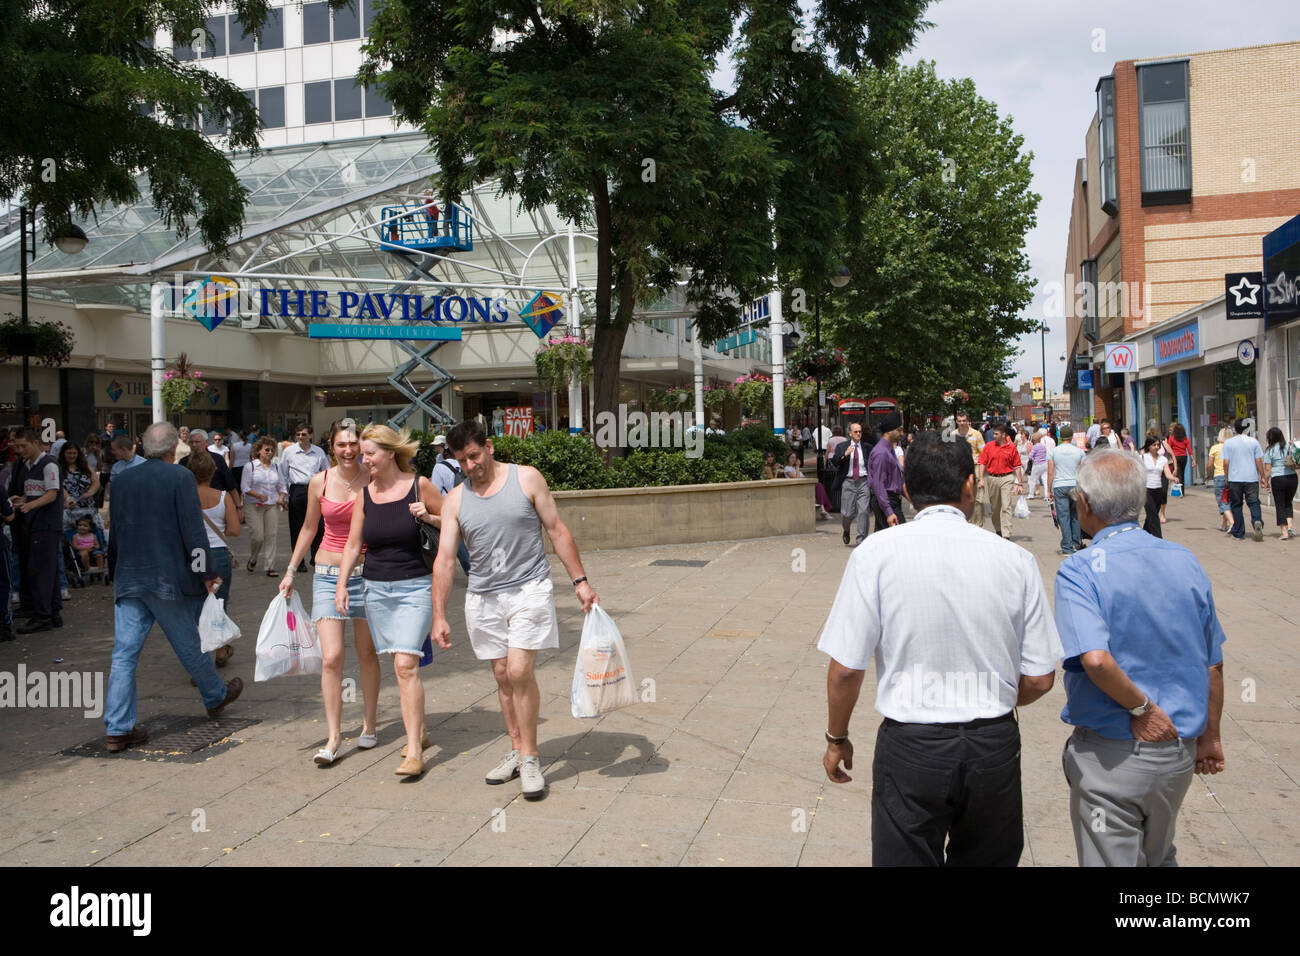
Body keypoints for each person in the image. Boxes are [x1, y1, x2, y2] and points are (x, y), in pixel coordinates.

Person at [819, 434, 1060, 866]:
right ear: (971, 485)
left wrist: (837, 737)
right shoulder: (1016, 561)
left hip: (911, 745)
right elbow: (1041, 678)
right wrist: (999, 694)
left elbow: (844, 670)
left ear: (907, 491)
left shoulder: (875, 554)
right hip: (993, 745)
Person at [1054, 448, 1226, 866]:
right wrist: (1210, 736)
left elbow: (1095, 660)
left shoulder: (1080, 569)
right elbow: (1213, 663)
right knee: (1159, 852)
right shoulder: (1184, 560)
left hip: (1114, 752)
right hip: (1178, 752)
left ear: (1086, 505)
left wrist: (1143, 708)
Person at [433, 419, 599, 800]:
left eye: (474, 456)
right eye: (462, 461)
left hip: (529, 589)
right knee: (503, 674)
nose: (470, 466)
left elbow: (556, 529)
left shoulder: (526, 479)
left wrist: (580, 582)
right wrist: (439, 614)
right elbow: (443, 560)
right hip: (483, 596)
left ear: (488, 447)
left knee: (520, 670)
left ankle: (530, 757)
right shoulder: (456, 499)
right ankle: (515, 748)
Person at [103, 423, 242, 753]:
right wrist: (206, 572)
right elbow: (193, 532)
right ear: (172, 450)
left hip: (130, 576)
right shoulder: (179, 478)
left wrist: (114, 572)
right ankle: (214, 695)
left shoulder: (121, 480)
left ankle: (117, 727)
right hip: (166, 578)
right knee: (189, 643)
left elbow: (116, 530)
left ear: (141, 446)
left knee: (123, 655)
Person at [335, 424, 443, 777]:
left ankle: (413, 751)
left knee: (405, 666)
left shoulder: (419, 485)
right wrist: (341, 585)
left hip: (416, 588)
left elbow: (454, 521)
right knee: (399, 663)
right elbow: (354, 545)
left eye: (369, 453)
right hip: (376, 589)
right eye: (363, 454)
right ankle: (421, 731)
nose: (363, 460)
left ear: (390, 453)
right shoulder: (365, 495)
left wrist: (428, 516)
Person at [280, 419, 382, 766]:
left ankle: (369, 723)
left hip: (367, 574)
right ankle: (335, 735)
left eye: (355, 444)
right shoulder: (318, 482)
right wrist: (292, 569)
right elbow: (309, 527)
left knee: (367, 652)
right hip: (325, 574)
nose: (350, 450)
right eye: (342, 444)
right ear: (331, 447)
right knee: (332, 657)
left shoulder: (374, 478)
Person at [184, 448, 240, 668]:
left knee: (197, 606)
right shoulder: (223, 497)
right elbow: (235, 530)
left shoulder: (185, 497)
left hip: (194, 554)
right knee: (219, 604)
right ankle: (220, 649)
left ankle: (200, 660)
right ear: (212, 471)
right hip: (217, 554)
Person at [9, 428, 63, 633]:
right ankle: (53, 611)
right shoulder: (29, 466)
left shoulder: (48, 464)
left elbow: (51, 494)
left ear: (34, 443)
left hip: (45, 525)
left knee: (40, 570)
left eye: (24, 445)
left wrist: (29, 506)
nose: (20, 449)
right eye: (18, 446)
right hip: (36, 524)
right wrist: (23, 500)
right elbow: (36, 492)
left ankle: (43, 615)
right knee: (46, 570)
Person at [280, 422, 329, 573]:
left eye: (304, 434)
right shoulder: (289, 451)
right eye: (298, 434)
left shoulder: (319, 452)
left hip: (315, 489)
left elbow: (326, 471)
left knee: (320, 526)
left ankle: (316, 558)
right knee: (297, 528)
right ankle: (298, 561)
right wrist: (284, 495)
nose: (300, 437)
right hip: (297, 490)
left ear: (311, 435)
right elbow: (283, 474)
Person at [242, 437, 287, 573]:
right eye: (267, 449)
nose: (270, 452)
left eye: (272, 450)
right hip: (254, 505)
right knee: (258, 537)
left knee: (271, 535)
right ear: (259, 451)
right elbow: (244, 487)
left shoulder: (275, 467)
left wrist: (281, 498)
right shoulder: (250, 466)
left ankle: (270, 567)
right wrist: (258, 495)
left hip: (271, 505)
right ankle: (253, 558)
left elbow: (282, 486)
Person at [976, 422, 1024, 539]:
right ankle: (998, 529)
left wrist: (1019, 483)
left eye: (996, 434)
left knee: (1006, 506)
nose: (994, 436)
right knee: (995, 507)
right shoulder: (989, 446)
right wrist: (981, 479)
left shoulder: (1011, 447)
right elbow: (982, 462)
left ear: (1003, 435)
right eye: (994, 434)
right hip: (992, 478)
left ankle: (1006, 533)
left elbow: (1017, 465)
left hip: (1007, 478)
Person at [1221, 418, 1265, 542]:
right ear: (1247, 428)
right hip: (1251, 478)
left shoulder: (1229, 443)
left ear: (1235, 428)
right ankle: (1257, 520)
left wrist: (1226, 477)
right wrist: (1263, 477)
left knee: (1236, 505)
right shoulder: (1254, 442)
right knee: (1254, 502)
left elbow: (1225, 462)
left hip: (1235, 479)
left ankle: (1239, 533)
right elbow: (1258, 461)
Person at [832, 422, 874, 547]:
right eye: (855, 432)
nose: (858, 434)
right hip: (848, 482)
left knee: (864, 512)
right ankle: (846, 529)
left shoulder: (867, 447)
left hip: (863, 482)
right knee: (847, 513)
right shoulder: (842, 446)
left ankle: (861, 541)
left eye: (860, 431)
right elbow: (834, 462)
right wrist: (845, 455)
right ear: (850, 433)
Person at [1048, 425, 1086, 555]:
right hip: (1075, 485)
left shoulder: (1054, 451)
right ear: (1071, 437)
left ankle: (1067, 546)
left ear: (1060, 437)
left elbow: (1050, 473)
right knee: (1076, 515)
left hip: (1059, 485)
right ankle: (1075, 543)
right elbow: (1082, 472)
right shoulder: (1079, 452)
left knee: (1063, 517)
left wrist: (1048, 489)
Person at [867, 412, 906, 530]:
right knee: (901, 536)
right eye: (899, 430)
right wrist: (889, 512)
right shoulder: (881, 453)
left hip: (888, 500)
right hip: (886, 501)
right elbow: (879, 484)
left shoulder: (889, 449)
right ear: (889, 431)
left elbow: (897, 481)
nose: (902, 433)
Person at [59, 441, 103, 537]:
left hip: (87, 508)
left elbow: (96, 482)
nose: (72, 456)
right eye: (69, 453)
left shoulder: (85, 466)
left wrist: (89, 493)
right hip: (68, 508)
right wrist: (68, 498)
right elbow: (58, 486)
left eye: (74, 453)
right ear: (63, 453)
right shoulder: (58, 468)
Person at [1261, 427, 1296, 540]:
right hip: (1292, 478)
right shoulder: (1289, 446)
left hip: (1278, 479)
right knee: (1288, 502)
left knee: (1280, 505)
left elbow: (1267, 470)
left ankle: (1284, 532)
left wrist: (1265, 481)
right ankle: (1290, 528)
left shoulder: (1269, 450)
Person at [1139, 437, 1177, 538]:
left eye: (1158, 445)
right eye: (1154, 445)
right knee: (1153, 516)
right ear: (1149, 446)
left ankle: (1143, 535)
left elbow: (1167, 474)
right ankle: (1159, 538)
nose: (1156, 447)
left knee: (1152, 515)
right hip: (1146, 490)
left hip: (1158, 490)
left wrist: (1173, 478)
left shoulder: (1163, 459)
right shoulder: (1142, 457)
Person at [954, 413, 986, 528]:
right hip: (959, 469)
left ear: (968, 421)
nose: (962, 423)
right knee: (960, 498)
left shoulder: (976, 434)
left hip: (974, 467)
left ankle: (978, 525)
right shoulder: (953, 435)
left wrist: (981, 476)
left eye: (964, 420)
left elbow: (984, 453)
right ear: (956, 422)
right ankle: (963, 524)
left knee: (977, 499)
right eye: (959, 421)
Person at [1206, 427, 1233, 534]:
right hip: (1233, 476)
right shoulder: (1232, 447)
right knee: (1229, 500)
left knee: (1222, 501)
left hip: (1219, 476)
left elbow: (1209, 465)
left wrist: (1208, 474)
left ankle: (1232, 522)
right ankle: (1224, 524)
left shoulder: (1215, 448)